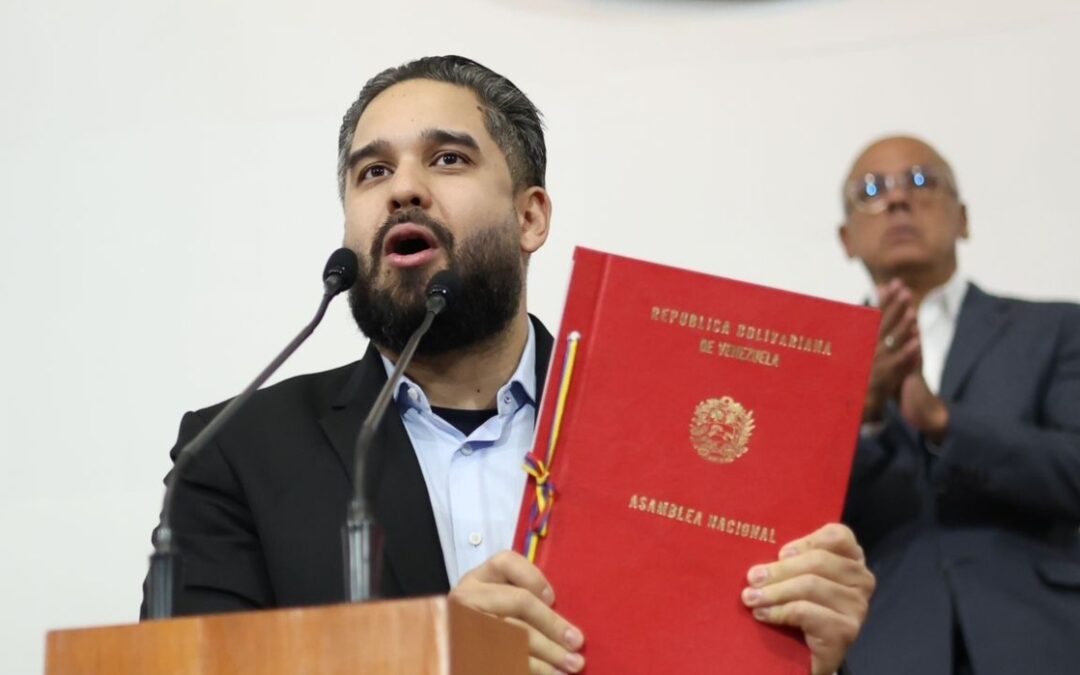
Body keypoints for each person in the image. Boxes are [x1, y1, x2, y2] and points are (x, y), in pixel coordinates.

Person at [143, 55, 874, 675]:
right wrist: (438, 657)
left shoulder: (665, 433)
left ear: (531, 217)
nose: (403, 187)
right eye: (371, 171)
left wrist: (814, 653)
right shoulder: (234, 452)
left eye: (448, 158)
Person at [838, 135, 1080, 675]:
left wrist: (943, 423)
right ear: (846, 239)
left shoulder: (1057, 328)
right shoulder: (821, 363)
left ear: (964, 218)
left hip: (1045, 637)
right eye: (872, 190)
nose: (898, 200)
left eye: (922, 181)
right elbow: (788, 517)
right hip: (885, 647)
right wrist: (868, 412)